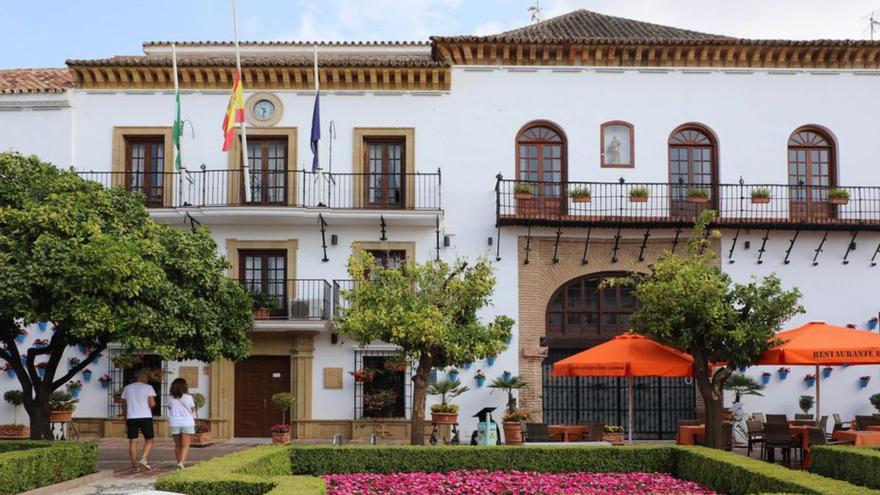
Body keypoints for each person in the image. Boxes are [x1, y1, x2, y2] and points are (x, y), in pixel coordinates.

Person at [120, 368, 156, 471]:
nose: (147, 377)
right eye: (145, 375)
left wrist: (125, 416)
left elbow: (123, 403)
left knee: (133, 441)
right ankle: (143, 459)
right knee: (149, 439)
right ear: (140, 377)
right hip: (145, 416)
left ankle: (134, 465)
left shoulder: (127, 388)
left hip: (131, 417)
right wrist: (153, 403)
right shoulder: (148, 388)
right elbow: (152, 404)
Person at [168, 378, 196, 469]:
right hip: (186, 422)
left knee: (177, 444)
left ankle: (179, 462)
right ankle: (181, 463)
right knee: (185, 444)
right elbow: (192, 409)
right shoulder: (188, 397)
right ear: (184, 387)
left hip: (174, 422)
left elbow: (170, 408)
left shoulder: (170, 398)